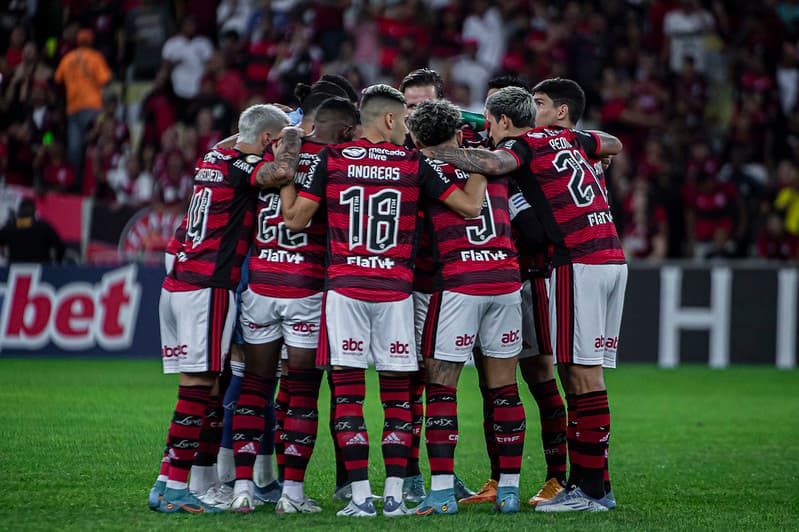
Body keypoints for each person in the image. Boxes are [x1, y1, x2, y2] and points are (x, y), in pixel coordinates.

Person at [280, 84, 485, 517]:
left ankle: (359, 498)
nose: (407, 128)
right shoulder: (413, 163)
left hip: (345, 290)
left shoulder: (332, 160)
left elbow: (295, 221)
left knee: (349, 396)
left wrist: (284, 177)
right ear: (391, 119)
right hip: (395, 292)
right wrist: (483, 163)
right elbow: (470, 207)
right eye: (405, 120)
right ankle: (393, 497)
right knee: (396, 399)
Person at [422, 81, 624, 512]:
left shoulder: (523, 145)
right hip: (611, 255)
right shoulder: (573, 138)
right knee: (579, 375)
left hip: (577, 260)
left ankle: (589, 490)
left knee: (580, 378)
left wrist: (433, 151)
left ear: (502, 121)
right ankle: (593, 483)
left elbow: (493, 161)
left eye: (543, 102)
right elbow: (614, 142)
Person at [149, 104, 303, 514]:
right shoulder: (242, 167)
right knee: (198, 388)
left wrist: (265, 122)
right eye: (274, 139)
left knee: (207, 387)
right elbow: (282, 172)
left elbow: (241, 137)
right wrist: (294, 133)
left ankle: (165, 481)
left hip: (178, 283)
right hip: (208, 287)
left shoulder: (213, 157)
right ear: (268, 140)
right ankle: (177, 490)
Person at [231, 97, 360, 514]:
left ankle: (243, 489)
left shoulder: (273, 156)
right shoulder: (336, 163)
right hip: (305, 288)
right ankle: (291, 494)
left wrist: (287, 133)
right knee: (302, 391)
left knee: (255, 386)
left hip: (261, 285)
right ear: (345, 131)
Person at [405, 99, 524, 515]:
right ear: (458, 133)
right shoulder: (494, 162)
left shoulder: (421, 168)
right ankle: (509, 490)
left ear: (416, 139)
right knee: (505, 388)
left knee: (441, 386)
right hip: (506, 281)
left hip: (459, 283)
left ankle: (441, 492)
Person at [399, 67, 476, 504]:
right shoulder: (391, 153)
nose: (416, 115)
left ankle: (442, 475)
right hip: (408, 283)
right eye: (410, 106)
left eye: (425, 106)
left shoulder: (465, 146)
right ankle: (410, 475)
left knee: (443, 381)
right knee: (410, 378)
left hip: (451, 282)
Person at [54, 28, 112, 188]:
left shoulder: (68, 58)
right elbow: (106, 80)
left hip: (74, 109)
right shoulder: (95, 57)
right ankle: (94, 184)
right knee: (96, 146)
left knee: (75, 149)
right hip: (94, 108)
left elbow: (57, 79)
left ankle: (75, 184)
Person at [0, 199, 64, 263]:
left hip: (16, 267)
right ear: (35, 211)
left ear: (19, 211)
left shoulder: (10, 227)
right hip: (41, 267)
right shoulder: (44, 226)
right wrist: (58, 261)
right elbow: (59, 245)